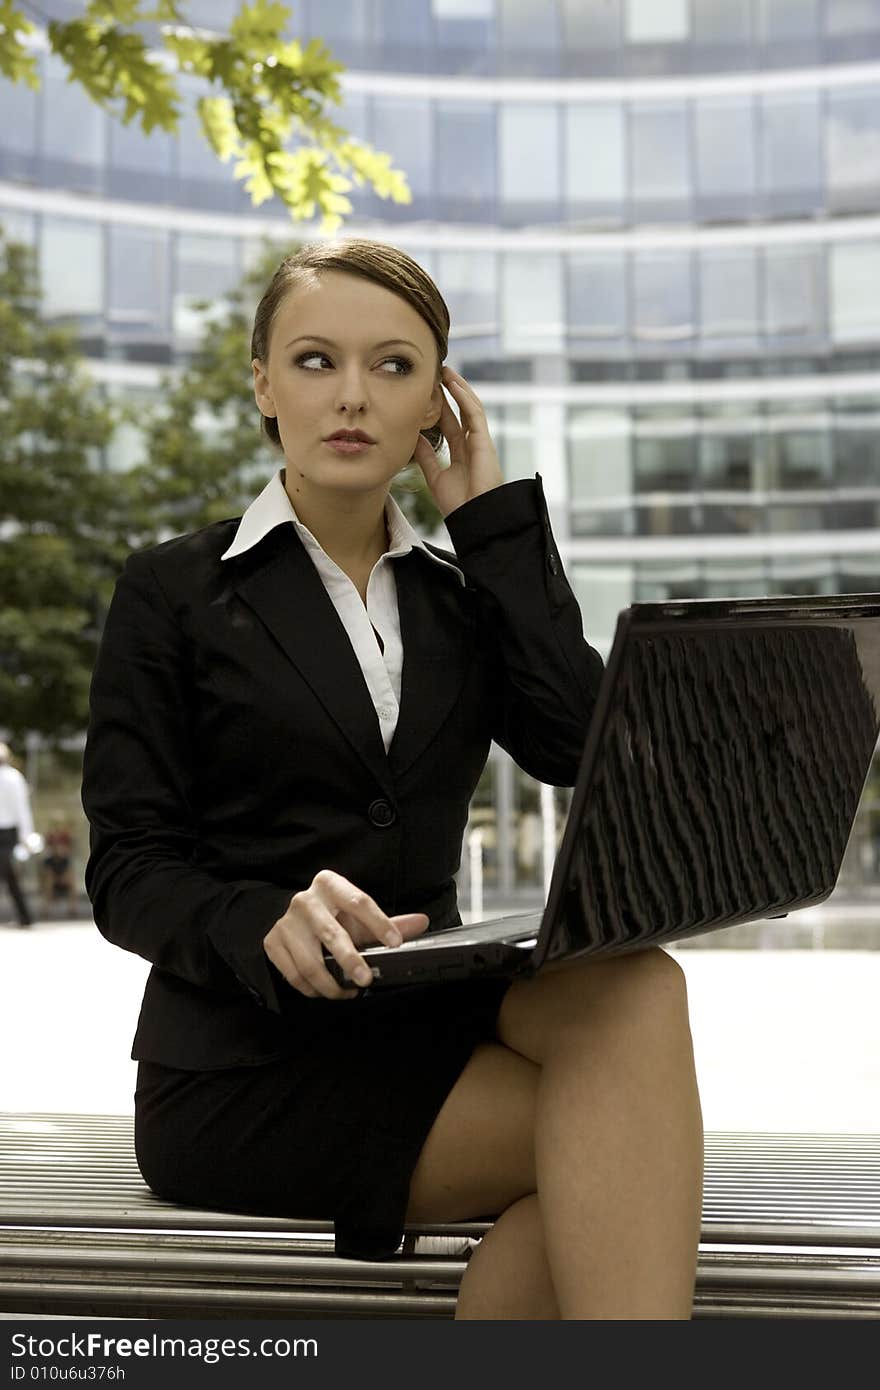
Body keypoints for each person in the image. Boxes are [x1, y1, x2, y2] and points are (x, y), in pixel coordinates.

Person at [81, 238, 704, 1320]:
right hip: (243, 1064)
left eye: (395, 366)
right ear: (264, 384)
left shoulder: (464, 598)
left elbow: (584, 748)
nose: (353, 396)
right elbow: (128, 867)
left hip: (426, 1026)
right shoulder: (175, 591)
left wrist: (494, 529)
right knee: (611, 1155)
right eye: (316, 361)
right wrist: (262, 915)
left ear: (438, 403)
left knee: (638, 990)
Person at [0, 741, 37, 928]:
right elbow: (23, 810)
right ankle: (24, 917)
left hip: (8, 833)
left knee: (10, 877)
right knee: (11, 877)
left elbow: (22, 810)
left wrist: (26, 836)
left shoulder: (13, 778)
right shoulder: (15, 778)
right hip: (8, 833)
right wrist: (26, 835)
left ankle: (24, 917)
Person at [40, 809, 76, 917]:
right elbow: (46, 851)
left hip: (63, 862)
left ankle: (72, 907)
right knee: (48, 879)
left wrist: (62, 851)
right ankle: (45, 908)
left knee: (71, 879)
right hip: (52, 863)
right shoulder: (49, 836)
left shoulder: (66, 836)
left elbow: (70, 851)